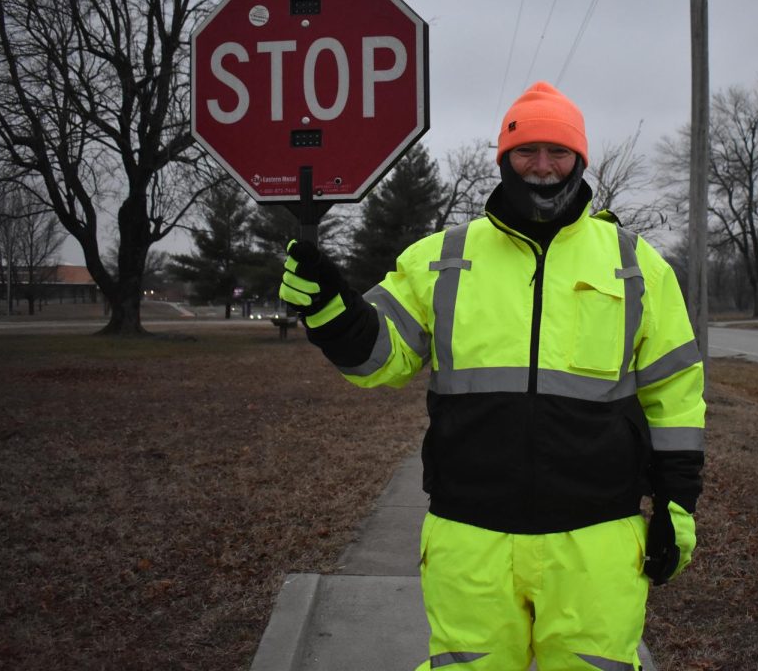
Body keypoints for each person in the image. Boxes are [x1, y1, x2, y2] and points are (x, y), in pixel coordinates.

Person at [279, 81, 705, 671]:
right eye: (527, 151)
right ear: (504, 158)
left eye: (558, 152)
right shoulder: (442, 257)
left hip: (597, 539)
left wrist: (678, 504)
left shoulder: (636, 265)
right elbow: (376, 357)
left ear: (581, 160)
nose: (543, 167)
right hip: (469, 535)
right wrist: (329, 309)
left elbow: (674, 395)